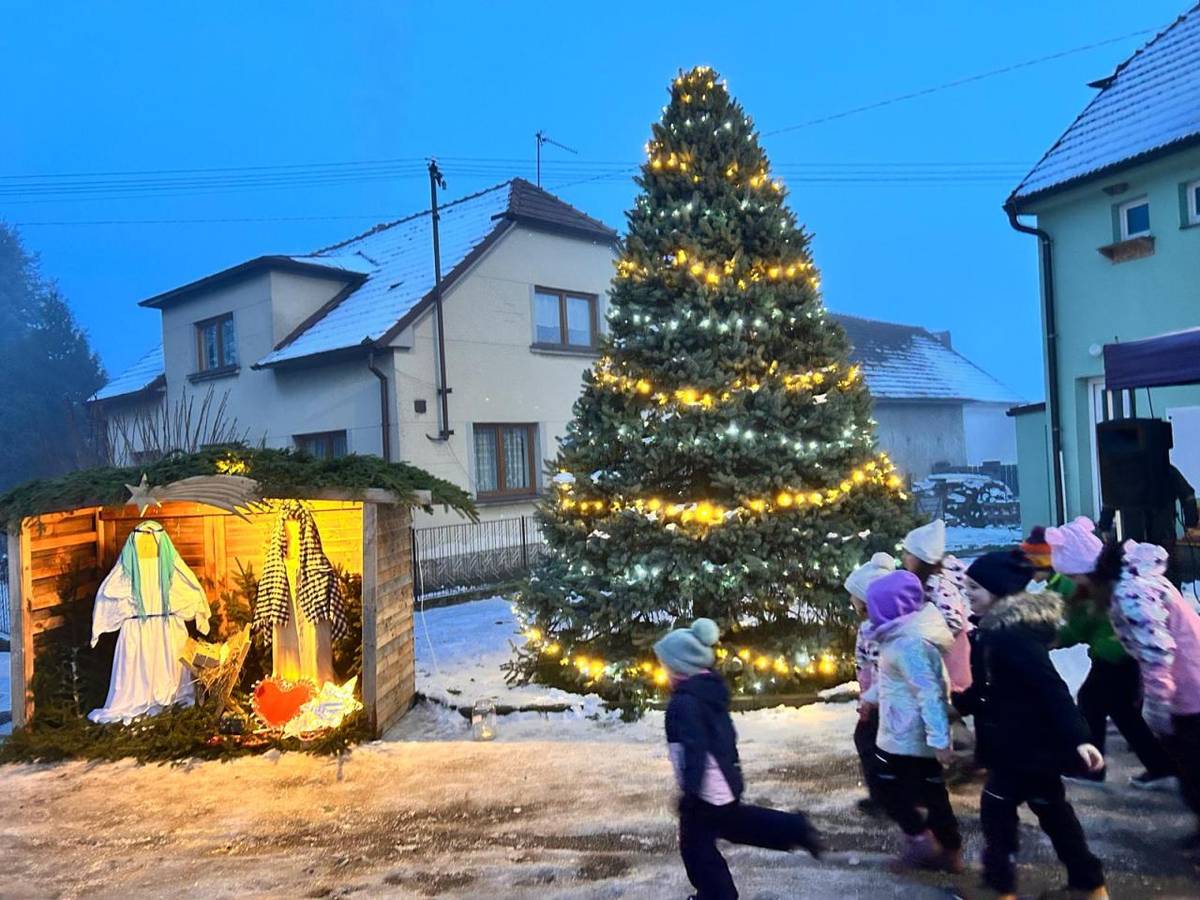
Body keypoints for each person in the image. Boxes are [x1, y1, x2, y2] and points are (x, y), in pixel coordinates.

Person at [957, 550, 1108, 900]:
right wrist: (961, 702)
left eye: (975, 588)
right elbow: (991, 688)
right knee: (1053, 812)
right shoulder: (994, 632)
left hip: (1020, 749)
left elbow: (1051, 688)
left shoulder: (1010, 638)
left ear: (1000, 593)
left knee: (997, 813)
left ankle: (1001, 888)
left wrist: (1080, 738)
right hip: (1030, 749)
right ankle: (1090, 884)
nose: (969, 595)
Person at [1049, 517, 1200, 848]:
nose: (1072, 584)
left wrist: (1159, 709)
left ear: (1089, 571)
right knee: (1191, 773)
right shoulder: (1127, 584)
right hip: (1188, 687)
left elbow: (1158, 652)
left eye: (1074, 576)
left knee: (1195, 773)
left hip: (1191, 689)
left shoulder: (1132, 593)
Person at [655, 618, 823, 899]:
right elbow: (723, 737)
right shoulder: (707, 691)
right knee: (735, 824)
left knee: (696, 848)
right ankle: (794, 828)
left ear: (679, 667)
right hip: (722, 781)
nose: (663, 670)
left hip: (705, 789)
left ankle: (717, 895)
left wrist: (691, 794)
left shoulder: (684, 703)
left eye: (665, 665)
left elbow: (694, 750)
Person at [866, 569, 964, 872]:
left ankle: (932, 844)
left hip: (910, 736)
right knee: (926, 792)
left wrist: (938, 739)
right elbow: (892, 681)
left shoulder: (909, 644)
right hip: (903, 732)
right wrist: (870, 698)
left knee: (893, 789)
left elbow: (930, 692)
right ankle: (944, 847)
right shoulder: (900, 639)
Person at [843, 551, 897, 817]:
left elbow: (875, 669)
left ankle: (887, 797)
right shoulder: (874, 626)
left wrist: (869, 700)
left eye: (853, 595)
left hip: (884, 700)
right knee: (874, 744)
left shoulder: (874, 629)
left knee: (871, 743)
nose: (850, 600)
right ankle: (887, 795)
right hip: (879, 698)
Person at [901, 519, 972, 695]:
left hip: (949, 671)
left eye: (908, 553)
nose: (904, 558)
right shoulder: (924, 586)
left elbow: (952, 622)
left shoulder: (941, 587)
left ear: (921, 559)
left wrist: (924, 639)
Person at [1099, 463, 1199, 587]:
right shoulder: (1166, 470)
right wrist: (1191, 522)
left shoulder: (1124, 471)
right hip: (1160, 532)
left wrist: (1105, 525)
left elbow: (1110, 500)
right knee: (1165, 571)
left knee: (1139, 571)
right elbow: (1188, 494)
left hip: (1138, 533)